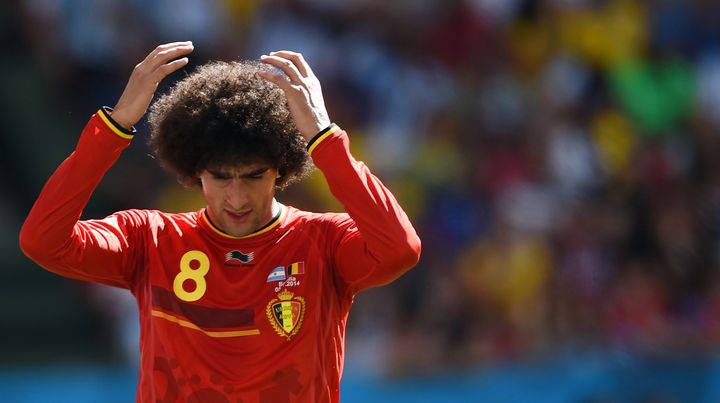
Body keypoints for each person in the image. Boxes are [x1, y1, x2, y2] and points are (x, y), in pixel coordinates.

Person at [19, 41, 421, 402]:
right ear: (195, 173)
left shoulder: (324, 241)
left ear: (280, 171)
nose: (237, 197)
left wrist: (324, 137)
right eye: (220, 176)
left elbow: (399, 250)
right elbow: (44, 241)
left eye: (253, 176)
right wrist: (114, 126)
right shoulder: (149, 239)